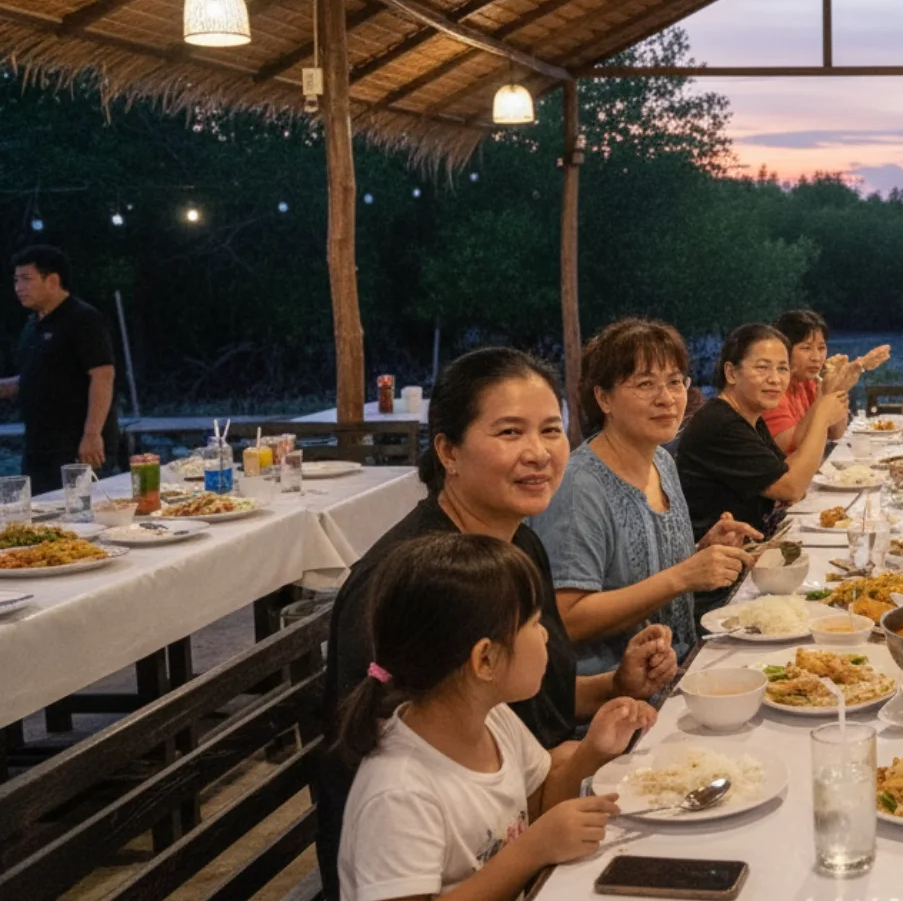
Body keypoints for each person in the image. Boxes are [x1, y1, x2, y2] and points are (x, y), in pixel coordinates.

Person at [315, 347, 677, 900]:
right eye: (510, 433)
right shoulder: (414, 583)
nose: (539, 453)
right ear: (448, 451)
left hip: (522, 816)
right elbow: (404, 768)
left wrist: (615, 686)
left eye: (551, 430)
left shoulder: (518, 540)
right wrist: (535, 841)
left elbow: (517, 701)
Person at [335, 532, 653, 901]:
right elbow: (531, 840)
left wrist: (593, 752)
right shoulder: (399, 792)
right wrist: (533, 850)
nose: (547, 637)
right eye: (534, 623)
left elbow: (537, 803)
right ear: (484, 659)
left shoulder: (493, 719)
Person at [534, 319, 762, 674]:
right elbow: (567, 619)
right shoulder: (579, 487)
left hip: (680, 666)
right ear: (603, 397)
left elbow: (650, 574)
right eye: (645, 384)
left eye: (674, 382)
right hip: (615, 699)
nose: (667, 399)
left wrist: (701, 552)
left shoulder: (661, 460)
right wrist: (683, 576)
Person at [676, 324, 845, 615]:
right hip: (719, 587)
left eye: (782, 369)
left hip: (750, 565)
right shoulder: (721, 423)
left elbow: (782, 477)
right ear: (731, 373)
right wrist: (821, 419)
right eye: (763, 368)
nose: (775, 379)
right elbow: (791, 486)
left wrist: (822, 406)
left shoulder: (748, 415)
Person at [0, 246, 119, 492]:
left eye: (27, 279)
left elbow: (102, 375)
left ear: (53, 280)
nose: (18, 287)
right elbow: (36, 377)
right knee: (39, 516)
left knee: (78, 515)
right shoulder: (32, 325)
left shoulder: (83, 319)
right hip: (38, 445)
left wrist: (92, 433)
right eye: (15, 280)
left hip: (76, 445)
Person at [764, 309, 889, 453]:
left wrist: (839, 387)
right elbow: (791, 445)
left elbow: (836, 432)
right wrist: (825, 396)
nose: (816, 357)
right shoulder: (773, 389)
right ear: (783, 350)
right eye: (806, 348)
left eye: (821, 348)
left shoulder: (809, 382)